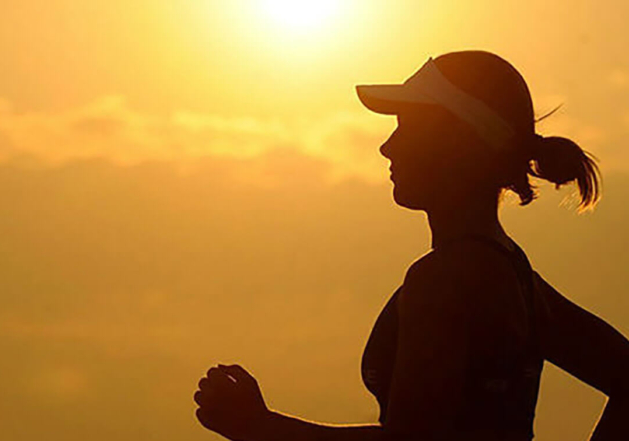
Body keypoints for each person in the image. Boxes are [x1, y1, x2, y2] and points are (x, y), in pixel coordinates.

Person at [192, 50, 629, 441]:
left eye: (407, 127)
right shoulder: (515, 275)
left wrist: (261, 428)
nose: (387, 146)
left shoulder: (442, 280)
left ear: (456, 145)